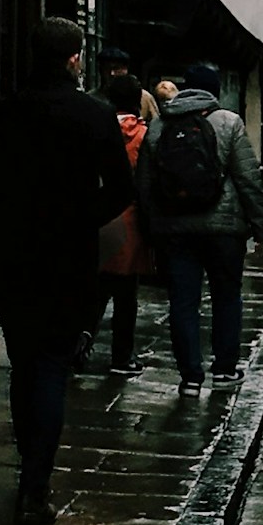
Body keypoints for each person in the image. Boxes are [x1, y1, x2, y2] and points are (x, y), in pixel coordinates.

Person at [0, 16, 135, 525]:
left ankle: (29, 466)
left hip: (12, 255)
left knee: (24, 365)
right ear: (74, 58)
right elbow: (122, 189)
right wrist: (82, 217)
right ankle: (34, 487)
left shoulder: (0, 113)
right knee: (50, 366)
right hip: (68, 257)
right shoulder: (94, 114)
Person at [139, 60, 263, 396]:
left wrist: (149, 229)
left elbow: (145, 184)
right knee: (226, 297)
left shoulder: (158, 126)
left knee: (183, 302)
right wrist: (261, 225)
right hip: (224, 229)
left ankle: (190, 378)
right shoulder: (229, 122)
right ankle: (224, 369)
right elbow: (247, 178)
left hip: (175, 229)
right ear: (215, 91)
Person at [79, 72, 151, 374]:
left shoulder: (94, 128)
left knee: (93, 291)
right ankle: (121, 357)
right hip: (129, 221)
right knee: (126, 296)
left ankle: (80, 344)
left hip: (94, 216)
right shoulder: (145, 135)